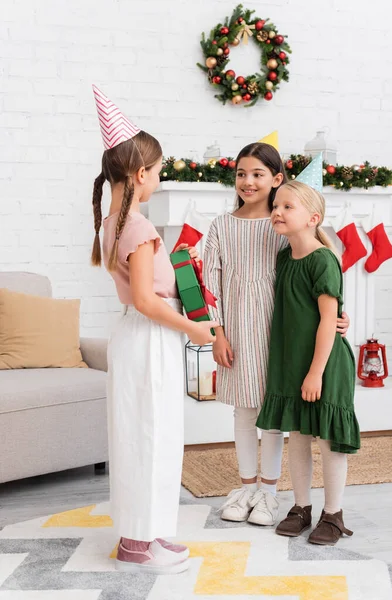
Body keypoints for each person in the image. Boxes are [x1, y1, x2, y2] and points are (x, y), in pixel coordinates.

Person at [90, 85, 216, 573]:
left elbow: (143, 292)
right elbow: (146, 299)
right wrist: (194, 327)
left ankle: (144, 535)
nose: (161, 178)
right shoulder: (140, 229)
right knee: (152, 435)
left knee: (145, 435)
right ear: (140, 174)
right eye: (159, 171)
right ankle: (139, 545)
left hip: (136, 339)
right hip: (149, 340)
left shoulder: (115, 223)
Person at [204, 143, 350, 526]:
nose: (248, 182)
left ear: (276, 179)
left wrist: (338, 317)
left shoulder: (279, 227)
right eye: (241, 174)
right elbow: (210, 284)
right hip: (237, 331)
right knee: (244, 410)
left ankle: (269, 492)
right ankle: (247, 487)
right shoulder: (221, 226)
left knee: (274, 413)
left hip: (280, 334)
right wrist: (217, 332)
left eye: (257, 174)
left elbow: (313, 278)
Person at [256, 180, 360, 546]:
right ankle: (302, 507)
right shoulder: (285, 257)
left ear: (312, 218)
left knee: (328, 439)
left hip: (324, 366)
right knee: (297, 436)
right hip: (291, 364)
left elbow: (329, 321)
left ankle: (334, 513)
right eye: (276, 206)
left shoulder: (323, 260)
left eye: (288, 207)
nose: (278, 212)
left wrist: (315, 372)